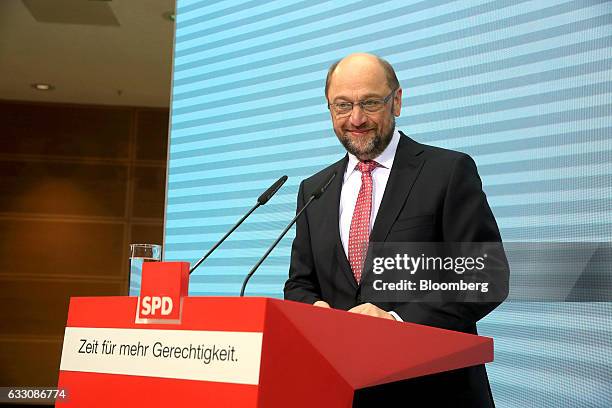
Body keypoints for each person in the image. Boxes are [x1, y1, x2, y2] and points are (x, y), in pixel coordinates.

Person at [284, 53, 509, 407]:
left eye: (370, 102)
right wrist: (316, 311)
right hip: (341, 392)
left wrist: (395, 320)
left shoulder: (447, 172)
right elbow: (299, 282)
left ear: (397, 101)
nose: (356, 119)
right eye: (342, 105)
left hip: (434, 393)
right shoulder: (315, 188)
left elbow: (484, 278)